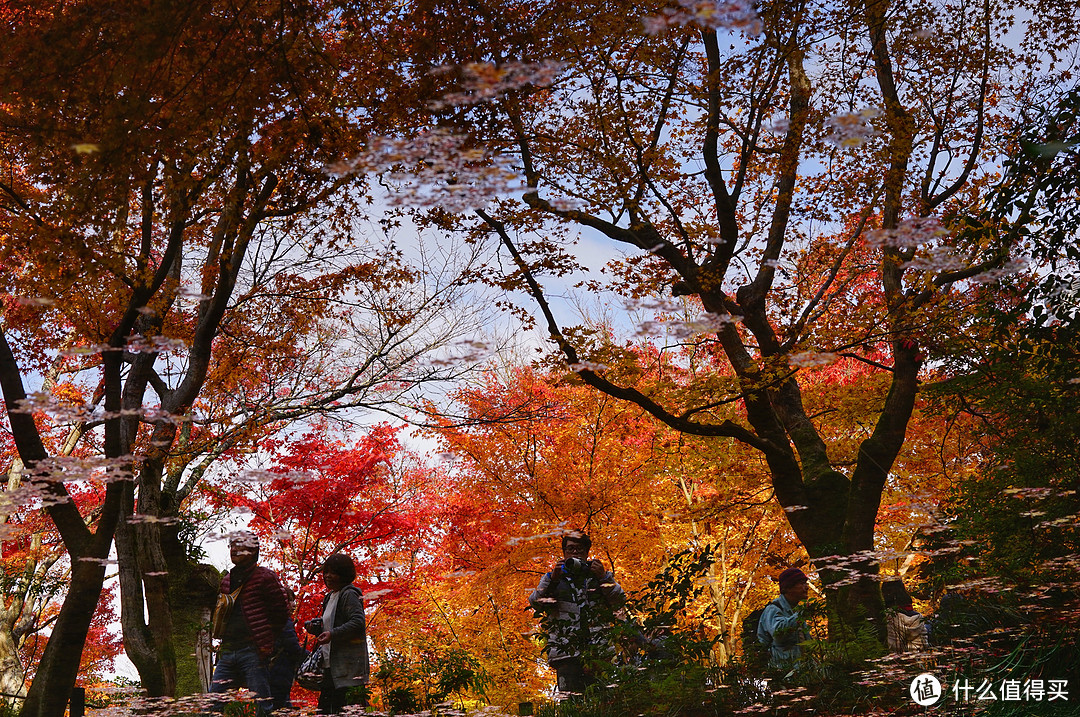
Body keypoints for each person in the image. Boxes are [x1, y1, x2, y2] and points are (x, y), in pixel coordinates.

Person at [528, 530, 625, 695]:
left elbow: (619, 601)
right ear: (564, 552)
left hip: (598, 651)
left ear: (587, 552)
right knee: (571, 703)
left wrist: (603, 577)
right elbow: (536, 603)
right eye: (570, 549)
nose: (575, 552)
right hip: (566, 653)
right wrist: (554, 580)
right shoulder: (552, 577)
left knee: (602, 700)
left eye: (579, 549)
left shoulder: (598, 575)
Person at [211, 531, 289, 713]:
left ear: (254, 551)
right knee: (213, 703)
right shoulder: (227, 580)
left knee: (262, 704)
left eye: (240, 545)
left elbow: (281, 614)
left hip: (253, 651)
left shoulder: (265, 577)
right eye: (232, 545)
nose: (235, 549)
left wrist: (265, 642)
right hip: (228, 650)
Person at [304, 553, 369, 715]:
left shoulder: (349, 594)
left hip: (347, 669)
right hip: (330, 668)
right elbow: (332, 624)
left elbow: (358, 622)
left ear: (344, 574)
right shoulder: (330, 597)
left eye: (333, 572)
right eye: (326, 572)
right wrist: (316, 627)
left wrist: (332, 634)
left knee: (347, 709)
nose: (328, 576)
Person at [757, 566, 809, 668]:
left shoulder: (796, 611)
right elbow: (778, 633)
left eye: (806, 583)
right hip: (781, 674)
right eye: (802, 583)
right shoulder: (773, 610)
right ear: (788, 588)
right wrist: (800, 615)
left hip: (801, 673)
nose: (806, 587)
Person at [267, 589, 306, 710]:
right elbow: (293, 648)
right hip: (280, 672)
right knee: (279, 706)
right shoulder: (284, 621)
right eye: (290, 600)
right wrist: (312, 656)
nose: (294, 604)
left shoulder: (267, 620)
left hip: (268, 671)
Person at [882, 579, 928, 653]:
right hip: (916, 660)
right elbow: (923, 644)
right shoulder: (919, 617)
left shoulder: (888, 617)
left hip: (893, 661)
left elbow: (891, 646)